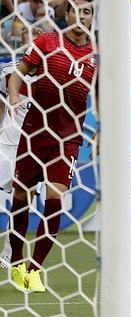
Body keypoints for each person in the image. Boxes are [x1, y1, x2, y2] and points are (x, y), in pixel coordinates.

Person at [6, 0, 96, 294]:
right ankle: (17, 261)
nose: (81, 16)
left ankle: (35, 269)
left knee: (55, 198)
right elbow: (18, 73)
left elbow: (104, 94)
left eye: (87, 12)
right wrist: (14, 96)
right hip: (35, 130)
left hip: (68, 137)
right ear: (67, 15)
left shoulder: (97, 56)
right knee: (22, 194)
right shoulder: (47, 42)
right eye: (77, 11)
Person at [0, 61, 34, 271]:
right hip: (7, 144)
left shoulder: (53, 71)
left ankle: (8, 254)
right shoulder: (8, 72)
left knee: (23, 202)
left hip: (33, 148)